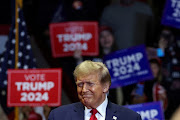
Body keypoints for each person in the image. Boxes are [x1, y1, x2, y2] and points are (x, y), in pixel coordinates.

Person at [48, 60, 141, 120]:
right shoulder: (58, 116)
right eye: (80, 84)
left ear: (105, 87)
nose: (84, 90)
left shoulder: (130, 117)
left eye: (90, 84)